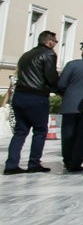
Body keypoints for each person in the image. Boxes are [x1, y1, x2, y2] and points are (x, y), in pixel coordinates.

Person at [3, 31, 59, 175]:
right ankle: (34, 163)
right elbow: (51, 78)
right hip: (36, 97)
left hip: (20, 96)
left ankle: (11, 165)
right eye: (55, 41)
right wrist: (60, 90)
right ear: (49, 42)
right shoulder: (48, 54)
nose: (56, 44)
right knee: (40, 130)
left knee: (20, 132)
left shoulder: (26, 55)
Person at [57, 42, 83, 172]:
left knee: (67, 133)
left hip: (70, 103)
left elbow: (62, 83)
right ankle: (76, 162)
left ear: (82, 52)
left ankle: (67, 160)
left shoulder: (72, 65)